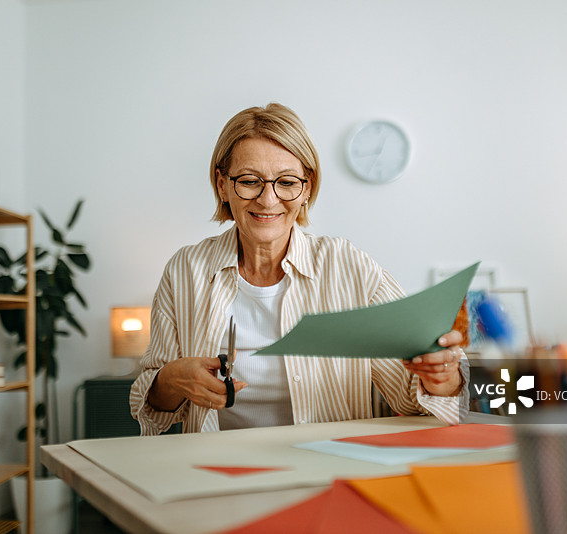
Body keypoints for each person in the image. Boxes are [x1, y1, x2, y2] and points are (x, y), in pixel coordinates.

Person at [130, 103, 469, 435]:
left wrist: (441, 376)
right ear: (223, 185)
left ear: (307, 187)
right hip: (214, 463)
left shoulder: (349, 267)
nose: (268, 199)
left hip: (328, 460)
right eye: (249, 181)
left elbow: (408, 396)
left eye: (287, 182)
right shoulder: (186, 270)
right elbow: (152, 413)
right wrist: (170, 380)